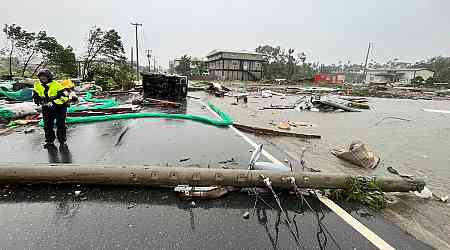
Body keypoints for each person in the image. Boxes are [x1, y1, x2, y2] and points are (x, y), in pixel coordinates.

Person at [33, 69, 69, 147]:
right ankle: (49, 141)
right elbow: (35, 96)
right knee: (47, 125)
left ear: (48, 77)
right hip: (46, 107)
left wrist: (53, 103)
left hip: (59, 107)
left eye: (44, 76)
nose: (42, 78)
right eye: (41, 77)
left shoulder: (56, 85)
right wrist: (39, 102)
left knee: (60, 124)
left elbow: (65, 96)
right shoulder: (37, 85)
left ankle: (62, 141)